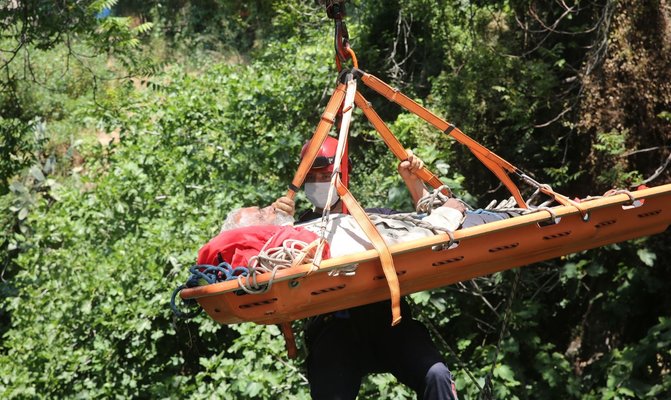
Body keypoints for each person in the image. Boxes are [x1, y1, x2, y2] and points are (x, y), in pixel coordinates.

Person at [273, 136, 460, 400]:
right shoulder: (296, 231)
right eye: (312, 178)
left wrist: (414, 182)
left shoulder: (375, 219)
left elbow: (432, 227)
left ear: (341, 175)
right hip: (335, 331)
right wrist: (276, 222)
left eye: (324, 176)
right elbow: (267, 261)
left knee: (436, 375)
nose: (318, 184)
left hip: (389, 321)